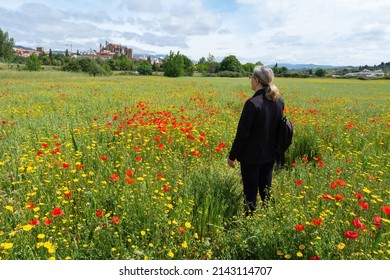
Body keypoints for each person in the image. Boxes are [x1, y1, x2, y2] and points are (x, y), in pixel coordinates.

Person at [227, 66, 284, 214]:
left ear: (257, 80)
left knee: (250, 193)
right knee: (266, 190)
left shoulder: (252, 104)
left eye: (251, 78)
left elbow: (242, 134)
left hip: (251, 158)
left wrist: (232, 156)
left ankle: (249, 220)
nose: (250, 80)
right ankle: (269, 217)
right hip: (270, 155)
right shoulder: (279, 102)